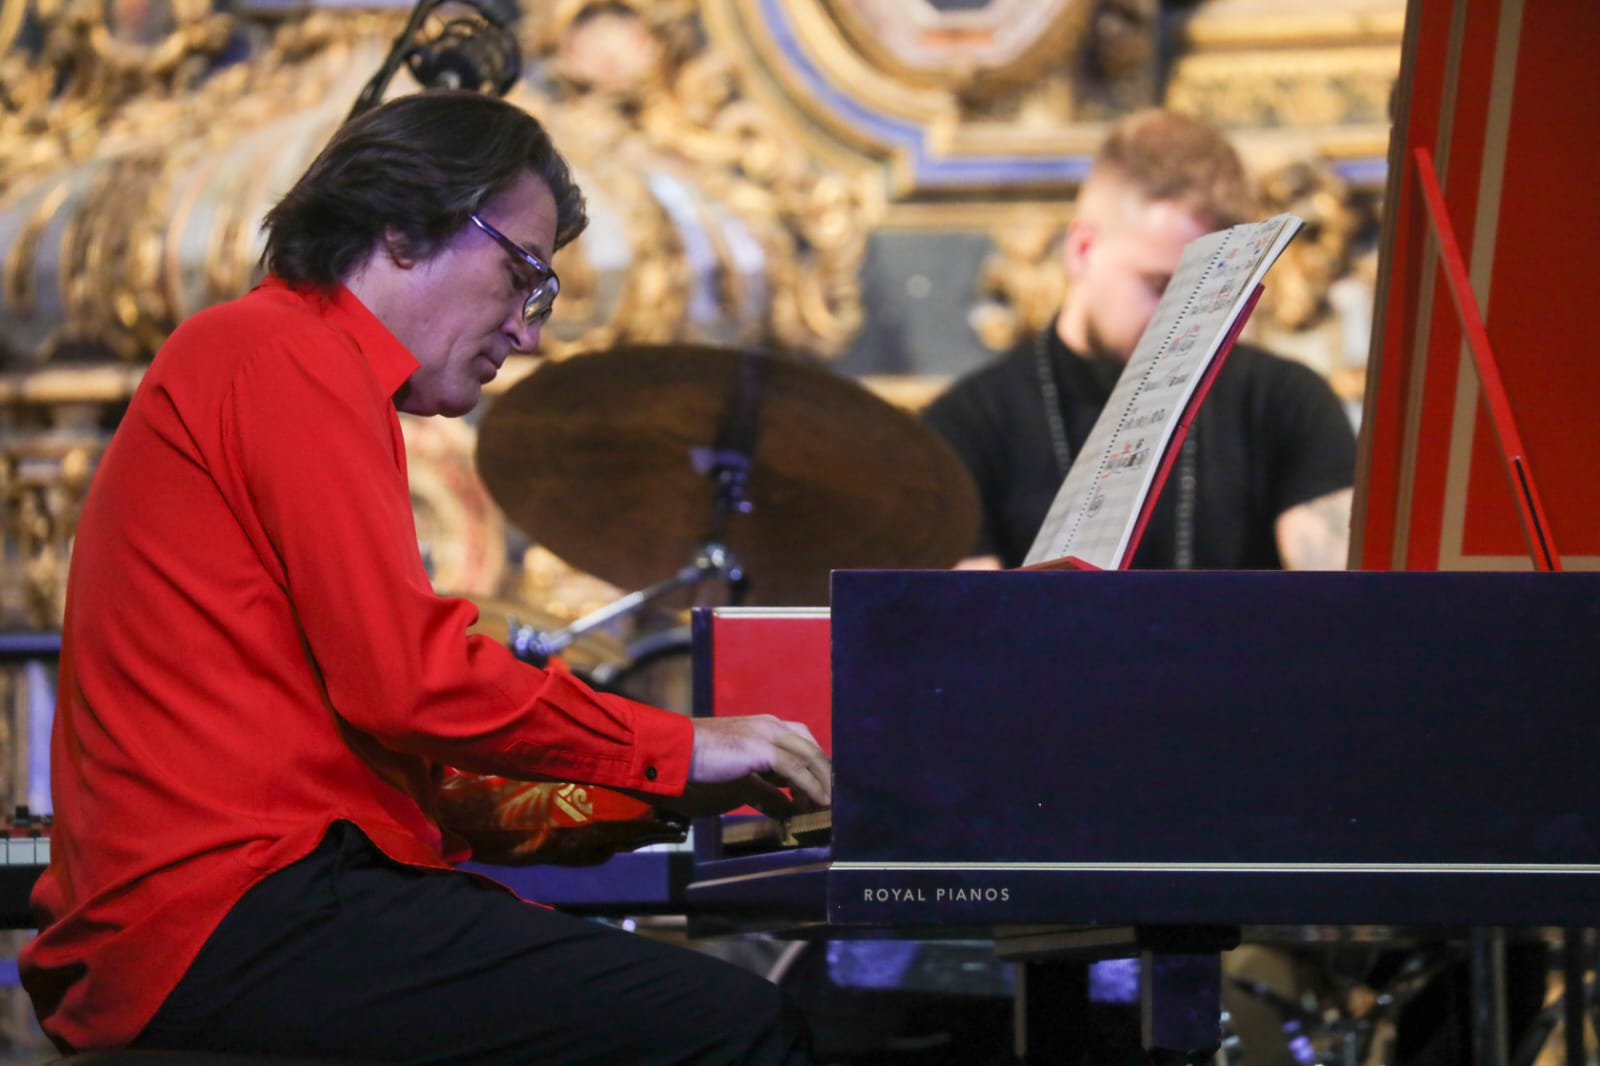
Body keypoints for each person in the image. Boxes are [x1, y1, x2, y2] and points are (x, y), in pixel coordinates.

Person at [20, 89, 830, 1064]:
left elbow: (398, 774)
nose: (526, 332)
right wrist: (679, 743)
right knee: (733, 1026)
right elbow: (408, 681)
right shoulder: (283, 351)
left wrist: (660, 789)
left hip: (243, 914)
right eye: (521, 275)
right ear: (402, 231)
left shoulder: (279, 360)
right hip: (232, 921)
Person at [923, 108, 1356, 572]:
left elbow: (1338, 606)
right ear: (1082, 248)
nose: (1184, 320)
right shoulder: (965, 427)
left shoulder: (1288, 402)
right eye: (1161, 286)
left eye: (1211, 295)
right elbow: (968, 633)